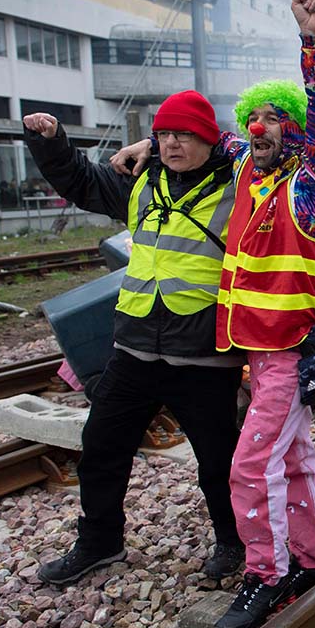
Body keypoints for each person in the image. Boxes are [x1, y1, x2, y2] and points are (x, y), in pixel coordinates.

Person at [113, 0, 315, 628]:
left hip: (291, 352)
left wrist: (314, 42)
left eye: (274, 119)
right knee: (292, 461)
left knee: (249, 467)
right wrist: (149, 145)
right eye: (254, 119)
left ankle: (266, 575)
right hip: (257, 353)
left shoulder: (313, 182)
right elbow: (217, 140)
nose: (259, 127)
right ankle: (312, 560)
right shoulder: (249, 169)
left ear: (295, 130)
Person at [22, 93, 246, 586]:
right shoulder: (142, 181)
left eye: (183, 135)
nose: (171, 144)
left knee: (218, 461)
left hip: (204, 356)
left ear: (210, 139)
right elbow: (80, 181)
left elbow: (278, 154)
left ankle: (233, 541)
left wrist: (152, 141)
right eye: (164, 135)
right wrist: (51, 142)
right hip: (135, 348)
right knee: (101, 447)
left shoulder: (241, 184)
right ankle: (100, 543)